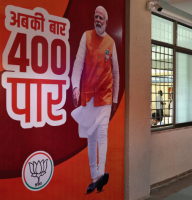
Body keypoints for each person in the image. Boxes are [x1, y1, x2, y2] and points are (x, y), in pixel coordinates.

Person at [71, 6, 120, 194]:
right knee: (91, 138)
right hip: (88, 96)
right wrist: (75, 86)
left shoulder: (111, 43)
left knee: (102, 134)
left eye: (101, 18)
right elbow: (77, 64)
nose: (98, 20)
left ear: (106, 22)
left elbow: (115, 72)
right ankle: (94, 177)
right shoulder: (86, 37)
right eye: (96, 17)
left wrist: (114, 99)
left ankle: (100, 174)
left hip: (105, 97)